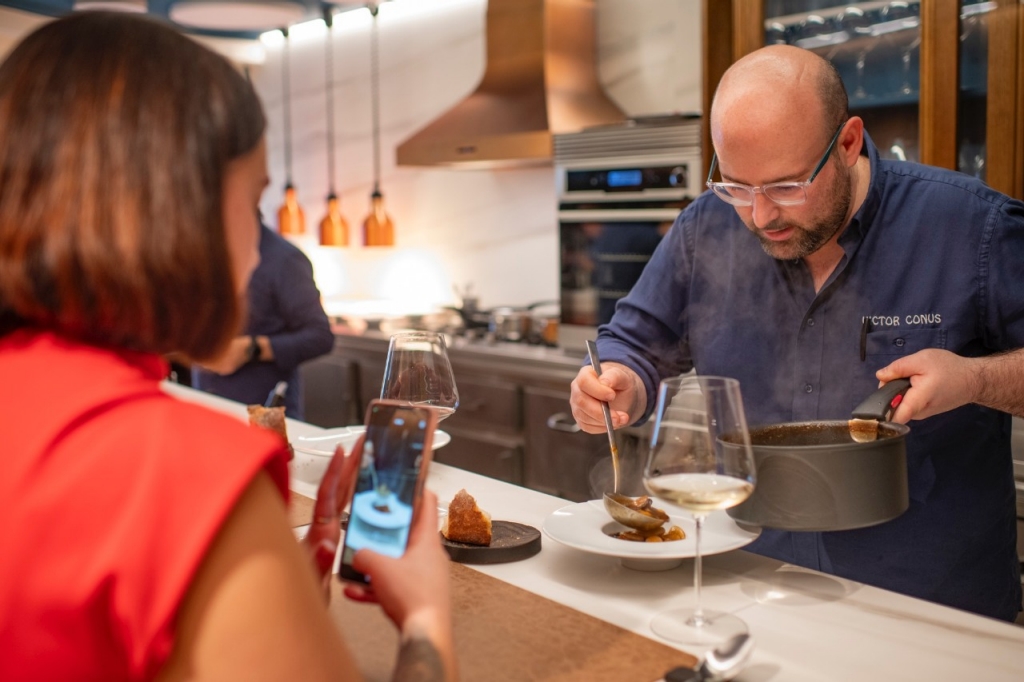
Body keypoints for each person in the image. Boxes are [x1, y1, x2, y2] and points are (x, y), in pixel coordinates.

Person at [0, 12, 456, 681]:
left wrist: (267, 597)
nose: (253, 243)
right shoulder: (184, 475)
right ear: (174, 212)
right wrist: (427, 617)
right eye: (252, 198)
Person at [570, 44, 1024, 622]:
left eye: (787, 186)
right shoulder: (702, 229)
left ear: (849, 142)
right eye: (736, 186)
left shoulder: (971, 228)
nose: (760, 216)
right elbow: (633, 346)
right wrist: (618, 383)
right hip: (749, 589)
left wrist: (976, 378)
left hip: (928, 611)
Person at [191, 218, 334, 420]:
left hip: (265, 416)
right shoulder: (203, 250)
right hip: (207, 406)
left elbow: (321, 336)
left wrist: (251, 349)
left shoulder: (284, 259)